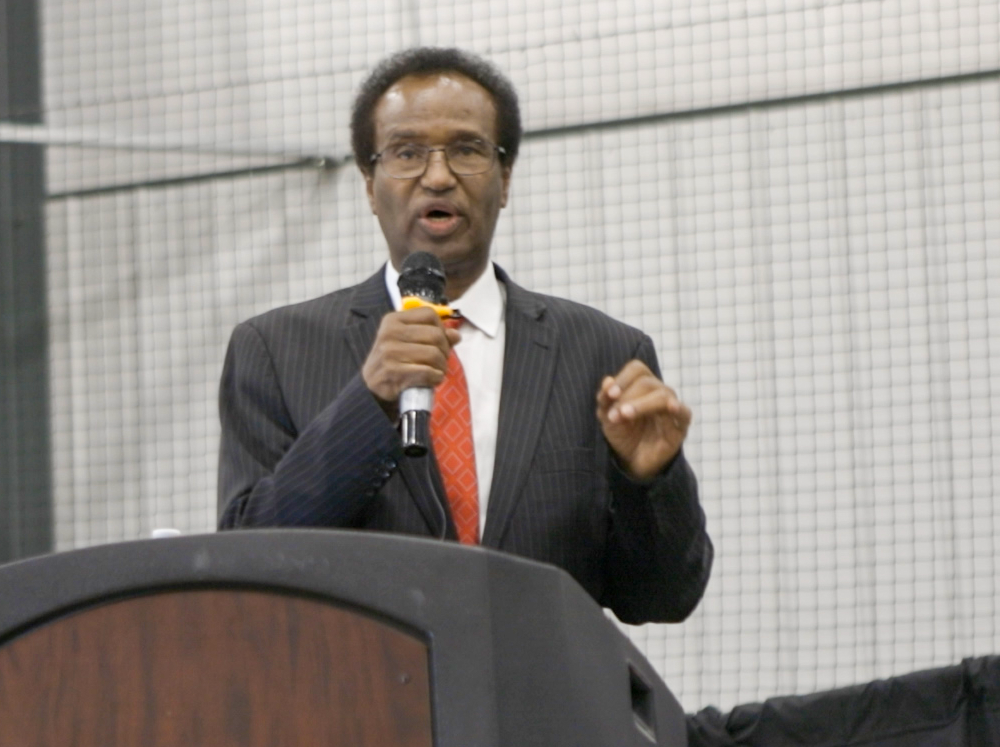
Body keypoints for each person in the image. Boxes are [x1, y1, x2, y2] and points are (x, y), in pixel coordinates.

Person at [216, 47, 710, 623]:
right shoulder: (275, 351)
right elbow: (246, 566)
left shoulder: (603, 354)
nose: (438, 175)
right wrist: (368, 403)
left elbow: (663, 598)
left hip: (539, 704)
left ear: (504, 180)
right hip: (363, 700)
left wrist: (648, 481)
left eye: (468, 149)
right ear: (369, 186)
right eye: (406, 152)